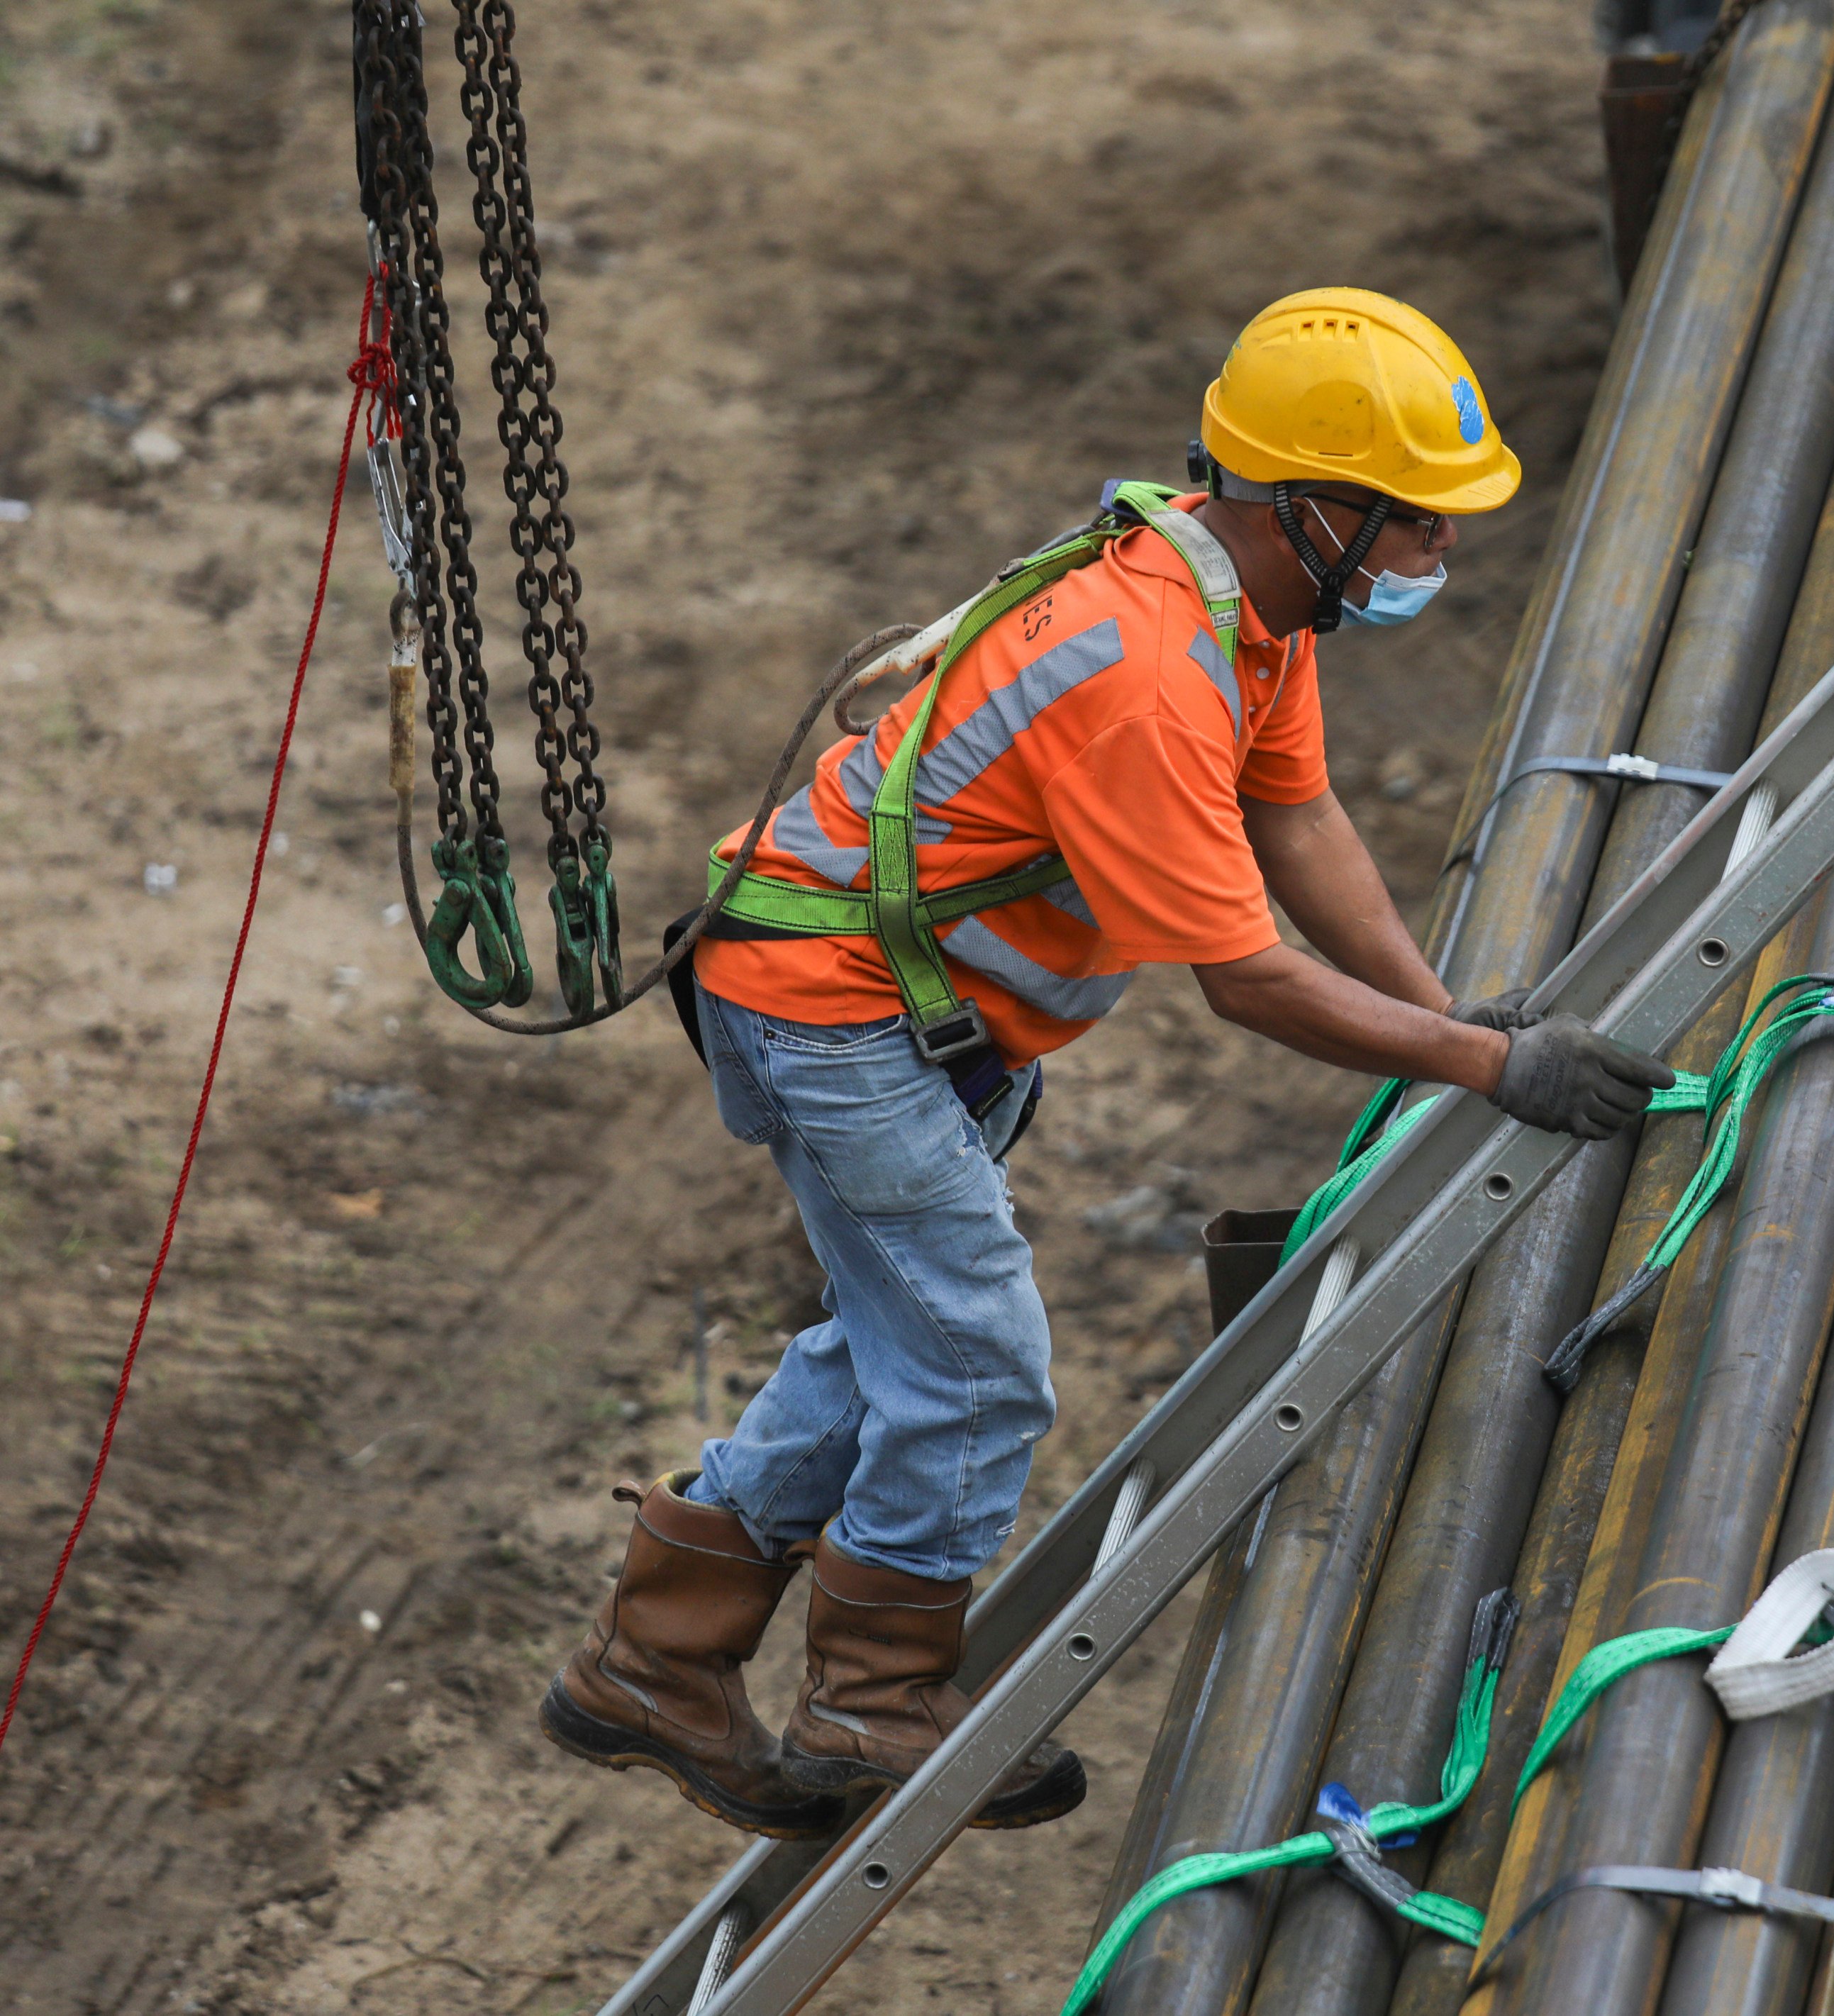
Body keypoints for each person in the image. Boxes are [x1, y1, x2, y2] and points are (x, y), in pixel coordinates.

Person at [540, 288, 1675, 1838]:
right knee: (973, 1361)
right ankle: (872, 1702)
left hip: (899, 1005)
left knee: (890, 1343)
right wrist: (1486, 1068)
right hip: (834, 1005)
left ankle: (651, 1667)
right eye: (1416, 526)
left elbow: (1300, 822)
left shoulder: (1244, 608)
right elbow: (1248, 981)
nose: (1438, 558)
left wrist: (1459, 1025)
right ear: (1313, 509)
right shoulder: (1140, 669)